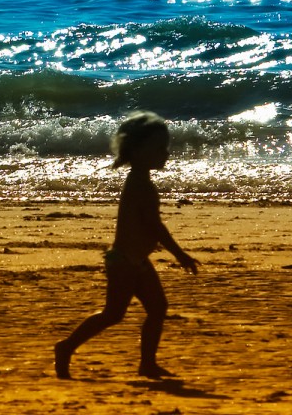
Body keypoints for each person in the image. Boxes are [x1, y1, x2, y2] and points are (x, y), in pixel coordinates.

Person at [54, 112, 199, 380]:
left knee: (157, 309)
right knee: (113, 314)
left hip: (137, 261)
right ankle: (66, 347)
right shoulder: (140, 185)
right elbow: (156, 226)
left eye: (165, 147)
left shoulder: (142, 181)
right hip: (124, 262)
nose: (164, 154)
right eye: (158, 148)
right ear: (137, 150)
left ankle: (148, 364)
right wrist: (180, 255)